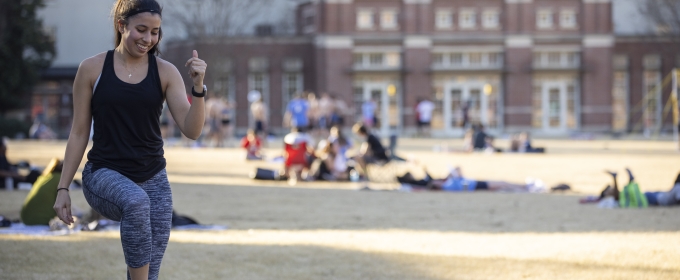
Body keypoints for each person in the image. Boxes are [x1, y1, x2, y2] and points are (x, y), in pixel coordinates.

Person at [52, 1, 207, 279]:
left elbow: (192, 130)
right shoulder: (91, 69)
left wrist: (198, 88)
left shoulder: (165, 72)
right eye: (142, 30)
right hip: (103, 175)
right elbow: (78, 133)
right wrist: (63, 188)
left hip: (154, 179)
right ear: (122, 26)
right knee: (136, 202)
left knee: (150, 272)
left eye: (155, 32)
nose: (148, 39)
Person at [397, 166, 545, 192]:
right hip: (474, 185)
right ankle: (527, 187)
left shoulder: (446, 183)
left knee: (501, 183)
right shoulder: (447, 187)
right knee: (501, 184)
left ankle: (526, 186)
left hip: (472, 183)